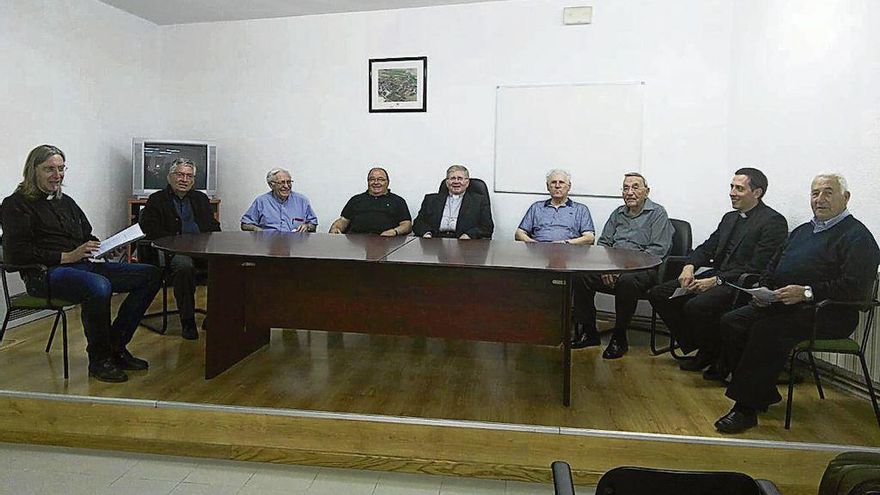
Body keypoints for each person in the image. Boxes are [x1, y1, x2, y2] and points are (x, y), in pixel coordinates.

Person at [714, 173, 880, 433]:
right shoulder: (804, 230)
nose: (819, 199)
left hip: (829, 313)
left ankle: (745, 409)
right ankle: (763, 391)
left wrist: (806, 293)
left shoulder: (858, 237)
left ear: (845, 198)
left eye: (828, 192)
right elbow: (774, 264)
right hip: (784, 303)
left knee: (767, 330)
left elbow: (854, 288)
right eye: (815, 193)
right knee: (732, 322)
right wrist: (765, 288)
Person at [1, 145, 161, 383]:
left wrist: (103, 246)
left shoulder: (66, 202)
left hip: (82, 267)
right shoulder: (15, 204)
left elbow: (86, 237)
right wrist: (68, 256)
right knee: (98, 286)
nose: (57, 175)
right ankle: (99, 359)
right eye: (49, 169)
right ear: (32, 171)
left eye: (61, 169)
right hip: (44, 275)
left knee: (150, 274)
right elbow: (16, 254)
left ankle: (115, 346)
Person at [648, 168, 788, 371]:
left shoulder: (773, 221)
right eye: (732, 187)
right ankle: (702, 346)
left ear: (756, 192)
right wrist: (689, 266)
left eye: (739, 188)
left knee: (696, 306)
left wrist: (716, 281)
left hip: (741, 283)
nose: (732, 192)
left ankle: (709, 353)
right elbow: (707, 247)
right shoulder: (729, 218)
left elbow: (757, 266)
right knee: (659, 293)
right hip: (717, 275)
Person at [571, 173, 674, 359]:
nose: (630, 192)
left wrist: (622, 269)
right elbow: (604, 244)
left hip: (643, 270)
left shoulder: (658, 213)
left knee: (626, 282)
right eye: (626, 188)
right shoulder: (618, 213)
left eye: (635, 187)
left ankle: (619, 337)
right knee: (580, 276)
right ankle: (589, 332)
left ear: (646, 191)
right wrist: (607, 268)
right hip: (613, 268)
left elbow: (657, 250)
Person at [140, 158, 221, 340]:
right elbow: (150, 230)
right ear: (170, 177)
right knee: (184, 267)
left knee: (224, 265)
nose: (184, 179)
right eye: (180, 174)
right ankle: (188, 321)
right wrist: (180, 242)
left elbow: (212, 226)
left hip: (201, 249)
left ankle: (214, 315)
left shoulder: (201, 199)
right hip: (172, 252)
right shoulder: (157, 200)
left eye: (189, 176)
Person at [413, 165, 494, 239]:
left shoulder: (479, 201)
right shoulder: (430, 200)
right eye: (452, 178)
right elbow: (418, 222)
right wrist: (427, 233)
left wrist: (468, 235)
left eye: (460, 178)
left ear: (467, 182)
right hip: (435, 241)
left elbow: (487, 227)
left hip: (464, 244)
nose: (456, 182)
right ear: (447, 182)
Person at [329, 167, 412, 236]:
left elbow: (407, 225)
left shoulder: (398, 201)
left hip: (386, 242)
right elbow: (343, 220)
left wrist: (395, 231)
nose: (376, 182)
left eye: (380, 179)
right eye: (372, 179)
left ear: (387, 182)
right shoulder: (356, 200)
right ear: (368, 182)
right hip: (357, 243)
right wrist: (336, 228)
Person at [240, 168, 317, 232]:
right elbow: (245, 224)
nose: (286, 186)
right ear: (271, 185)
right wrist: (258, 230)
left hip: (295, 245)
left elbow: (313, 224)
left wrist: (307, 226)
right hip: (268, 245)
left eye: (289, 182)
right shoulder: (261, 201)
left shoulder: (302, 201)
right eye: (282, 182)